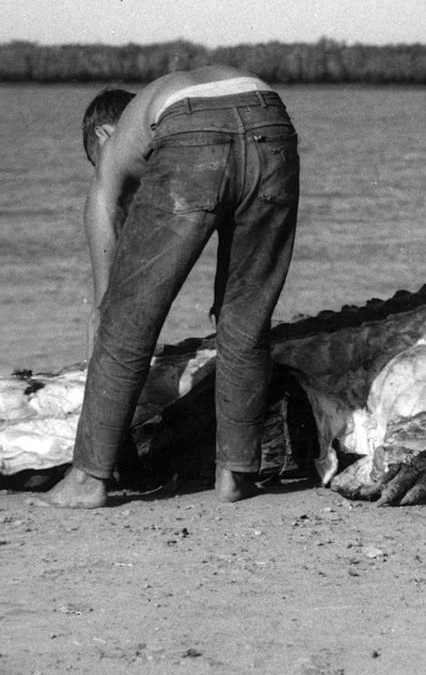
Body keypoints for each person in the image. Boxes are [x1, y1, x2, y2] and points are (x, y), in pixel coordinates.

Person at [30, 65, 300, 508]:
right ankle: (235, 473)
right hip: (270, 116)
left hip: (195, 134)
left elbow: (108, 307)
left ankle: (87, 479)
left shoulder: (116, 147)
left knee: (125, 319)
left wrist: (105, 316)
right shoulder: (158, 100)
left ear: (102, 134)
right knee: (245, 315)